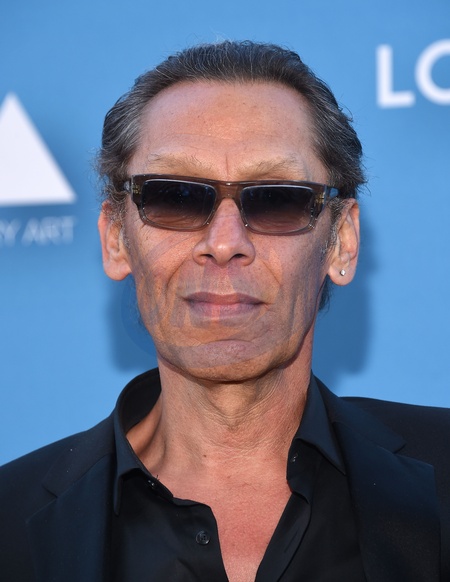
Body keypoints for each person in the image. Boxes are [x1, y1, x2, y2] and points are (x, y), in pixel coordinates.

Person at [1, 40, 449, 582]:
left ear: (341, 243)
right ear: (116, 239)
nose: (224, 242)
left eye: (277, 198)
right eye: (174, 196)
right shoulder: (9, 523)